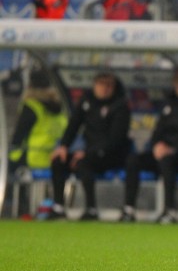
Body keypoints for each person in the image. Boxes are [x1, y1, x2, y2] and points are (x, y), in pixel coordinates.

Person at [119, 68, 178, 223]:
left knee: (167, 161)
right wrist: (157, 145)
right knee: (133, 160)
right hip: (164, 152)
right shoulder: (168, 103)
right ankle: (128, 208)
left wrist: (175, 149)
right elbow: (158, 130)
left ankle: (169, 210)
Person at [47, 72, 131, 221]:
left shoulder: (120, 105)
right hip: (88, 152)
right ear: (94, 85)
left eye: (108, 85)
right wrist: (64, 146)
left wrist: (87, 152)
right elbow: (74, 125)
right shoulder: (87, 101)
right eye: (101, 84)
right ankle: (58, 207)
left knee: (84, 164)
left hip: (111, 154)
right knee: (58, 161)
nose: (104, 88)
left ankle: (91, 209)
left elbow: (115, 138)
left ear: (114, 87)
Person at [5, 70, 67, 217]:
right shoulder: (59, 107)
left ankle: (18, 209)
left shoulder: (31, 106)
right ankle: (46, 207)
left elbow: (19, 135)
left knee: (9, 169)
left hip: (33, 155)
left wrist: (11, 156)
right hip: (54, 157)